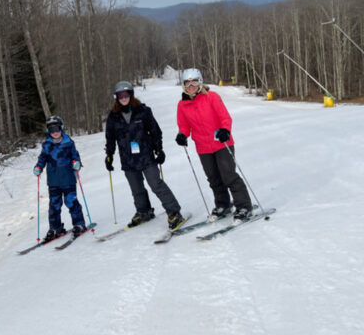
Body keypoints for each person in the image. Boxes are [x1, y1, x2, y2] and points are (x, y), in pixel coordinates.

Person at [104, 81, 185, 232]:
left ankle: (174, 212)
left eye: (126, 95)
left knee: (156, 184)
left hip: (146, 156)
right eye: (120, 96)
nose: (123, 98)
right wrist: (109, 155)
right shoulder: (113, 117)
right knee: (136, 189)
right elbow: (110, 139)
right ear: (116, 98)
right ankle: (144, 211)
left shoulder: (143, 111)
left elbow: (155, 131)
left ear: (131, 95)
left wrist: (158, 150)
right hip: (128, 159)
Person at [175, 68, 253, 221]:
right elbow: (184, 125)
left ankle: (244, 206)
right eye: (187, 83)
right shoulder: (182, 105)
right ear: (184, 86)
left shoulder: (211, 97)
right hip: (203, 147)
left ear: (200, 82)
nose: (191, 86)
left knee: (229, 175)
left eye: (194, 82)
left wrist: (225, 130)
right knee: (213, 178)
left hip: (221, 143)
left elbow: (225, 117)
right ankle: (223, 205)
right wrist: (182, 135)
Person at [33, 116, 87, 240]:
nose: (55, 132)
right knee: (54, 205)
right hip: (54, 181)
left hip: (68, 179)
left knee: (71, 201)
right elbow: (42, 158)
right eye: (51, 129)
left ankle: (79, 224)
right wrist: (39, 167)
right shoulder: (47, 145)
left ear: (61, 128)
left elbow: (75, 155)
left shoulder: (68, 142)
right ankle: (55, 228)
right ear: (48, 131)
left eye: (57, 128)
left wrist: (76, 162)